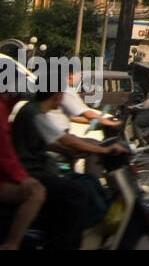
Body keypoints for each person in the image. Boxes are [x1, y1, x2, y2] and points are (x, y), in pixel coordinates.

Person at [11, 90, 128, 248]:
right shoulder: (35, 113)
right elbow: (66, 140)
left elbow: (54, 141)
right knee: (78, 192)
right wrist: (105, 150)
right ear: (57, 95)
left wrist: (91, 146)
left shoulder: (34, 110)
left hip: (37, 168)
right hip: (32, 173)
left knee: (90, 181)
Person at [0, 58, 44, 250]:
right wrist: (22, 177)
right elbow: (4, 152)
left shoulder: (7, 109)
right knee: (36, 192)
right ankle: (11, 245)